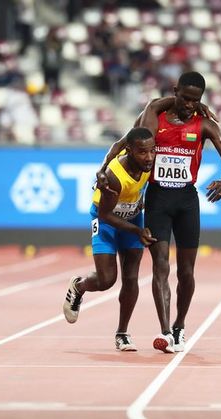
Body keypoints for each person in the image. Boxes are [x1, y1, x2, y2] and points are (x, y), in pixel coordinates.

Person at [96, 71, 221, 353]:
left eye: (195, 100)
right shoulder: (155, 118)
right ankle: (165, 333)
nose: (188, 105)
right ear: (175, 92)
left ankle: (179, 326)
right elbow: (128, 138)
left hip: (187, 200)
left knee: (186, 271)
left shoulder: (205, 125)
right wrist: (102, 170)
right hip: (158, 198)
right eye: (184, 98)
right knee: (161, 266)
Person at [63, 127, 157, 351]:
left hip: (133, 218)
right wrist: (137, 231)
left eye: (152, 151)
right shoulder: (113, 178)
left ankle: (122, 333)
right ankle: (79, 286)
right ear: (130, 151)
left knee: (131, 276)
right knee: (106, 280)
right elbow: (106, 215)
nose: (149, 157)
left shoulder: (148, 163)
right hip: (106, 220)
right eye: (143, 153)